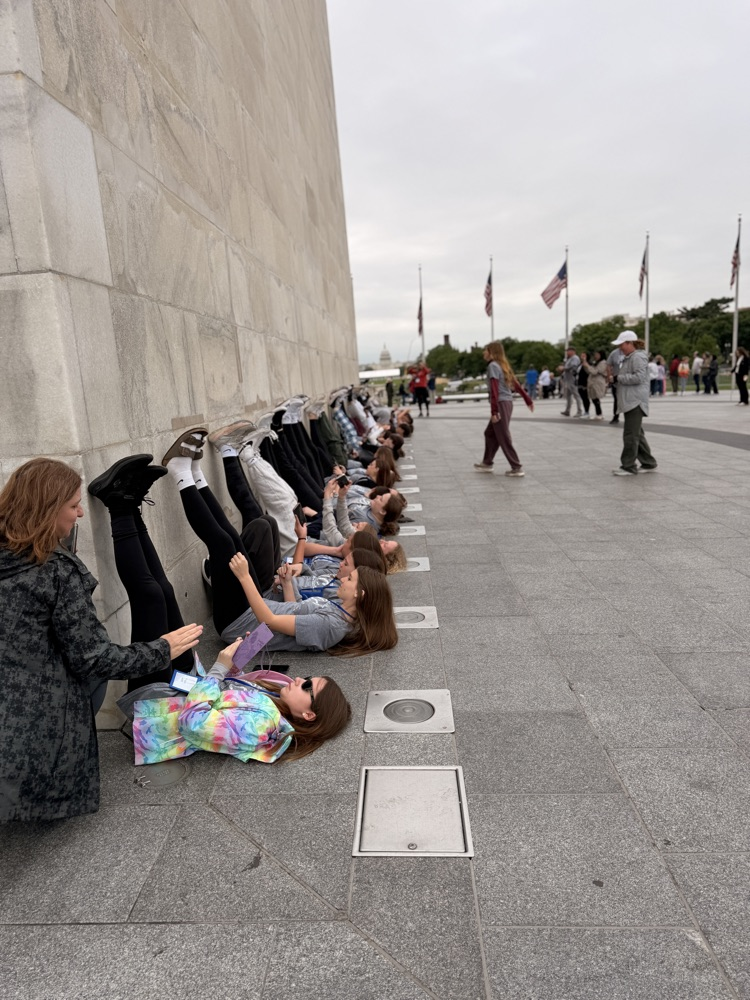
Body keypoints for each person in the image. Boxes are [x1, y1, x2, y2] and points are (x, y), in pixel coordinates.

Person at [0, 456, 202, 823]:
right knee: (156, 599)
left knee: (160, 594)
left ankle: (125, 506)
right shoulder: (56, 572)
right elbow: (94, 660)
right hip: (36, 722)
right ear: (46, 511)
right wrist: (163, 649)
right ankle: (122, 506)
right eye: (74, 506)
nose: (79, 514)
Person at [162, 429, 398, 656]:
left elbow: (271, 621)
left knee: (223, 544)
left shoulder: (333, 627)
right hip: (254, 609)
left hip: (238, 624)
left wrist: (245, 577)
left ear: (360, 594)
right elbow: (292, 609)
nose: (344, 577)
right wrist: (286, 583)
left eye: (350, 579)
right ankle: (194, 473)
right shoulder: (340, 613)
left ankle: (180, 473)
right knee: (232, 539)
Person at [474, 340, 533, 477]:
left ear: (492, 353)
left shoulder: (493, 366)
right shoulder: (502, 365)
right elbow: (515, 383)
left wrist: (494, 411)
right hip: (506, 402)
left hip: (500, 403)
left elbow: (495, 389)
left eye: (486, 350)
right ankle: (487, 463)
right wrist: (527, 399)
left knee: (503, 436)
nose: (484, 352)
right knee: (490, 433)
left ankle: (516, 467)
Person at [610, 332, 658, 476]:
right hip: (631, 400)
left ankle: (628, 466)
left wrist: (618, 378)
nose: (620, 347)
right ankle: (648, 462)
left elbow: (639, 377)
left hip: (635, 401)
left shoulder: (637, 357)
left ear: (630, 343)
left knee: (630, 434)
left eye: (622, 344)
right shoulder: (631, 357)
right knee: (637, 433)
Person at [581, 350, 608, 419]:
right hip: (592, 382)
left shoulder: (603, 363)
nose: (595, 356)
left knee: (596, 398)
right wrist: (585, 365)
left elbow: (595, 372)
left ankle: (599, 413)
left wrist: (588, 366)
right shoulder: (596, 362)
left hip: (597, 382)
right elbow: (589, 371)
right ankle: (598, 413)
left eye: (597, 355)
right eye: (595, 355)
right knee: (593, 398)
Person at [560, 347, 584, 417]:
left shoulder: (575, 358)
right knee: (568, 396)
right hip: (567, 380)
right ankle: (567, 410)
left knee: (577, 396)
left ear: (573, 351)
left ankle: (579, 411)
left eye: (568, 351)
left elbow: (574, 366)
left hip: (573, 380)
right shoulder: (569, 359)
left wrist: (564, 368)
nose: (567, 353)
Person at [607, 344, 624, 423]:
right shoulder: (614, 353)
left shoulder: (631, 353)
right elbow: (609, 365)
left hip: (626, 380)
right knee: (616, 399)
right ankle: (616, 416)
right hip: (616, 380)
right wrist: (610, 376)